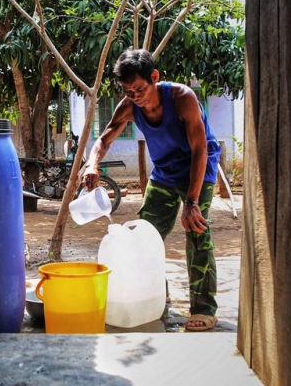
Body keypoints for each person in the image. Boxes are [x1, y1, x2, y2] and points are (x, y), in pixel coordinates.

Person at [83, 48, 221, 332]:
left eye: (139, 89)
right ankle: (156, 297)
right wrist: (91, 165)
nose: (135, 97)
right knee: (144, 236)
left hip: (199, 169)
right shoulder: (129, 106)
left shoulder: (183, 98)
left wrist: (192, 202)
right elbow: (104, 140)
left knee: (196, 232)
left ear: (154, 77)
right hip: (164, 174)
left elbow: (200, 149)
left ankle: (204, 308)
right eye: (128, 91)